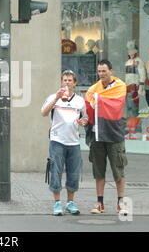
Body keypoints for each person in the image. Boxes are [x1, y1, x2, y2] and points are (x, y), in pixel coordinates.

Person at [41, 70, 88, 216]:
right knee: (55, 170)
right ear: (62, 82)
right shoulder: (53, 97)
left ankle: (70, 203)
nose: (67, 83)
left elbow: (85, 118)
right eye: (65, 80)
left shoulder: (80, 100)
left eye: (70, 80)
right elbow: (43, 112)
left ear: (75, 83)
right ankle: (57, 203)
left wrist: (83, 122)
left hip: (73, 142)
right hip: (57, 141)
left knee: (73, 173)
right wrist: (56, 98)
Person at [85, 60, 128, 216]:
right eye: (99, 71)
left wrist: (98, 99)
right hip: (97, 134)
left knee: (118, 170)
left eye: (104, 71)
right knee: (98, 171)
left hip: (114, 133)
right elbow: (89, 104)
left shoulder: (120, 86)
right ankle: (99, 202)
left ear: (111, 71)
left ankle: (121, 202)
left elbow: (116, 103)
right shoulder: (93, 89)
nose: (101, 74)